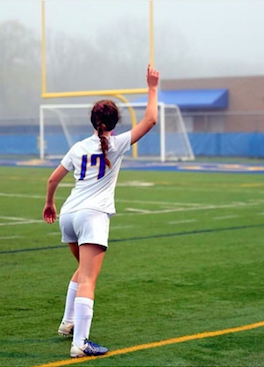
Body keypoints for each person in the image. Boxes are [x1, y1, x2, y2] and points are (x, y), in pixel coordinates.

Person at [43, 65, 160, 358]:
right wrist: (152, 86)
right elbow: (151, 119)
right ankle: (80, 343)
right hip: (92, 216)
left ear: (94, 121)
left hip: (69, 214)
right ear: (114, 123)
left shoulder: (79, 146)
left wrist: (49, 203)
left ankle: (68, 323)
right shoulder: (117, 144)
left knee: (83, 271)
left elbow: (52, 179)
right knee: (88, 280)